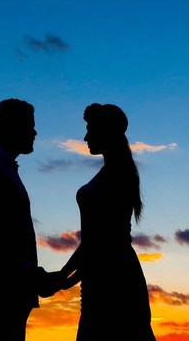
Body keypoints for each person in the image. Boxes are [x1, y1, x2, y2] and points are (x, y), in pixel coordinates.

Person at [0, 98, 64, 341]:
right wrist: (36, 277)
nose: (34, 132)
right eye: (29, 126)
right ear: (10, 128)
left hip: (5, 286)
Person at [59, 103, 156, 340]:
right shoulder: (116, 172)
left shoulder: (118, 175)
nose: (85, 137)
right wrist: (65, 277)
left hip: (114, 279)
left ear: (106, 132)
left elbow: (101, 241)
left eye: (91, 130)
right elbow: (96, 242)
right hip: (104, 275)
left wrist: (63, 277)